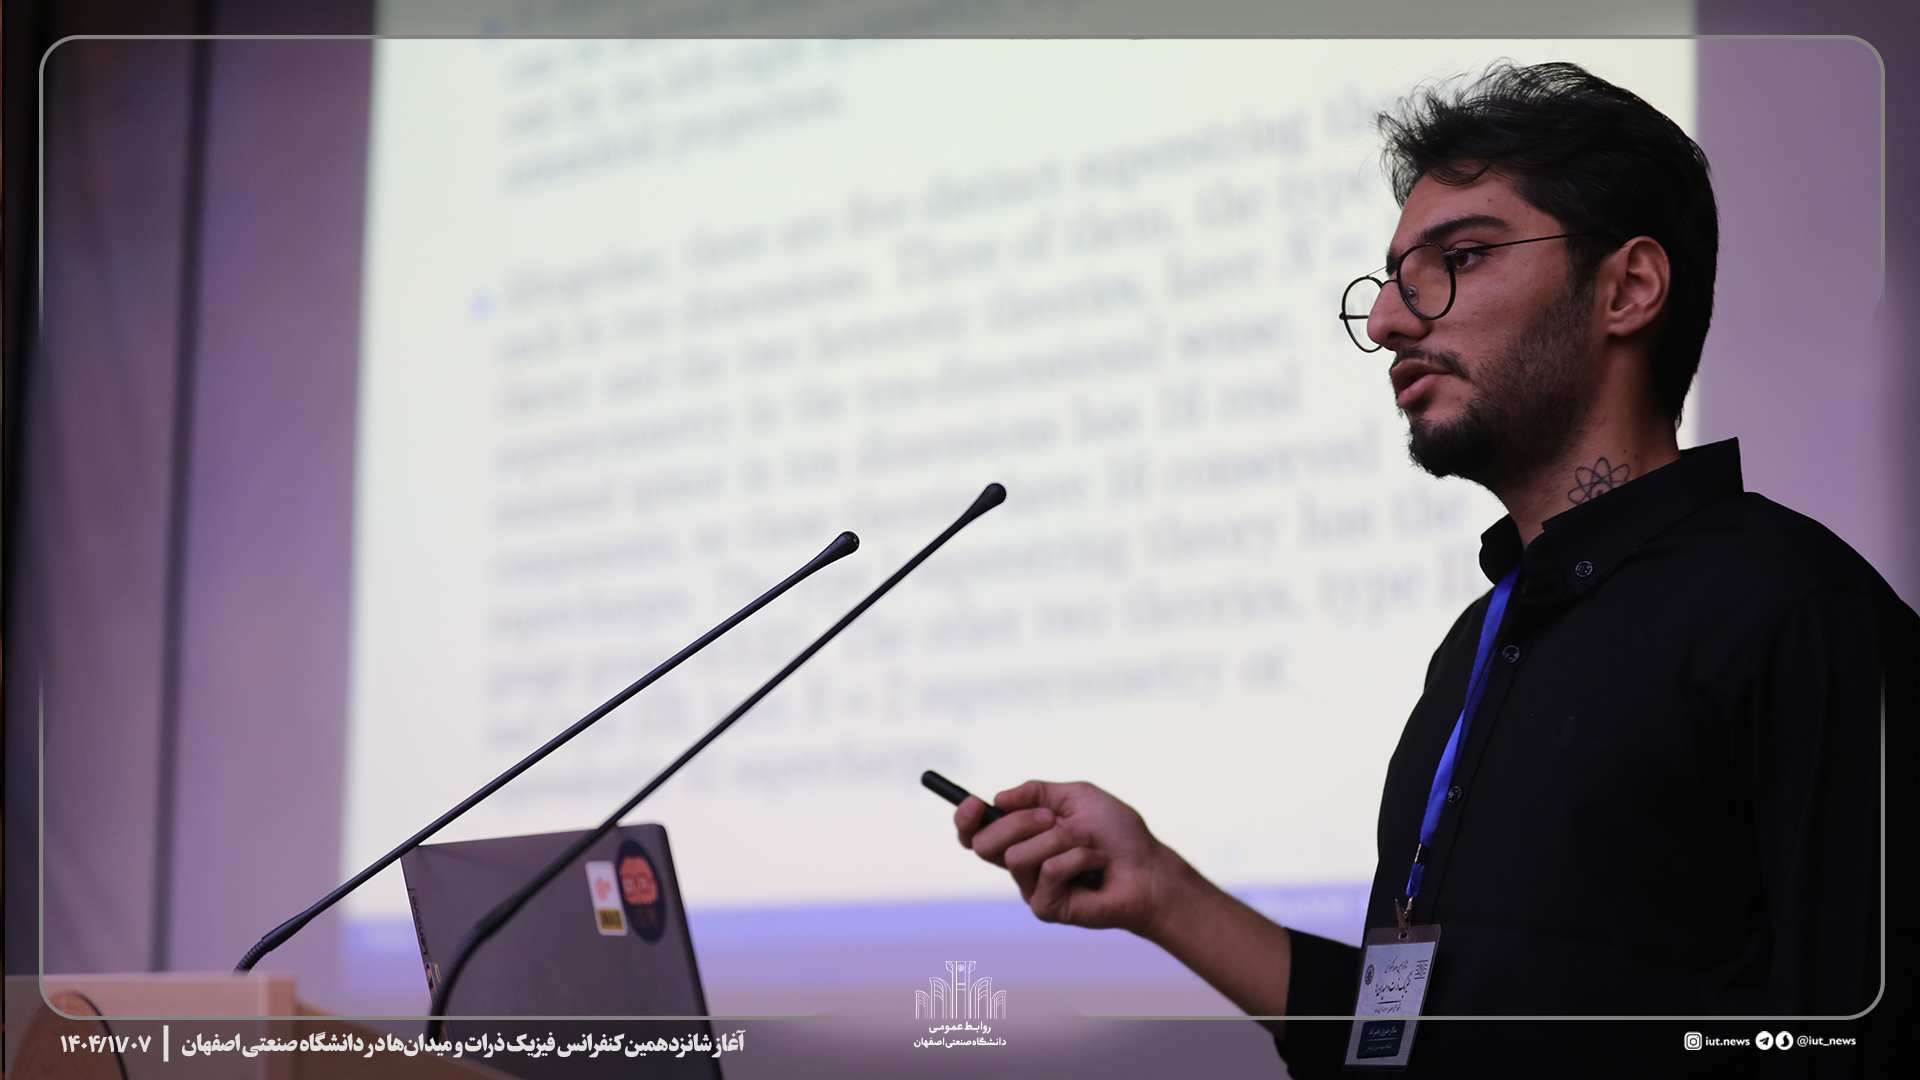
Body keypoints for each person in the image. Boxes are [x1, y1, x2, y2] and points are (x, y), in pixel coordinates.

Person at [953, 62, 1916, 1077]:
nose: (1388, 323)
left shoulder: (1795, 614)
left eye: (1460, 257)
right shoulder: (1480, 644)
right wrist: (1163, 894)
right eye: (1391, 280)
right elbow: (1417, 1034)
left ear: (1628, 288)